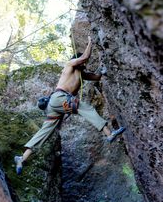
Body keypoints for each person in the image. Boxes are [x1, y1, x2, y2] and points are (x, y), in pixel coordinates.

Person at [14, 36, 125, 174]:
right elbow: (84, 57)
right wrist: (90, 41)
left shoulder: (81, 74)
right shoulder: (70, 64)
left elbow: (96, 77)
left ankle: (22, 158)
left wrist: (102, 71)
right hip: (58, 98)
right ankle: (108, 134)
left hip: (56, 105)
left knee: (45, 132)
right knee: (86, 108)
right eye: (82, 62)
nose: (84, 64)